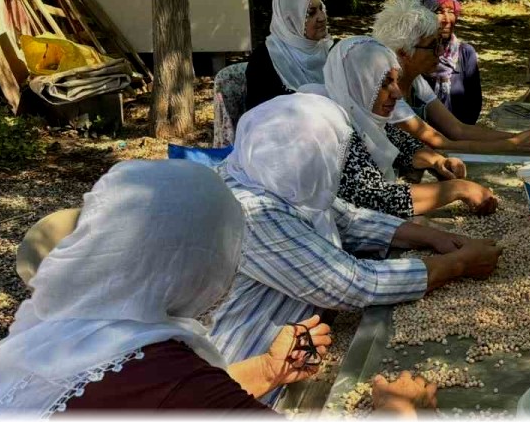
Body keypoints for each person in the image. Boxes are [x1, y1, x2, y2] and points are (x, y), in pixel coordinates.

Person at [0, 160, 333, 415]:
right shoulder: (172, 378)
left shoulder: (53, 339)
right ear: (194, 265)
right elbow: (175, 395)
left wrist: (267, 370)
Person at [208, 93, 503, 386]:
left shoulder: (269, 173)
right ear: (306, 152)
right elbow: (354, 284)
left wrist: (437, 237)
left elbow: (349, 219)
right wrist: (458, 264)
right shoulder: (252, 213)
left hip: (295, 351)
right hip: (246, 374)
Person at [304, 39, 499, 216]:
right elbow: (378, 198)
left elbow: (404, 146)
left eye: (396, 81)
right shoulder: (334, 128)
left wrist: (438, 162)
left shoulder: (363, 116)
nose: (397, 93)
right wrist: (458, 189)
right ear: (359, 84)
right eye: (385, 84)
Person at [373, 0, 530, 154]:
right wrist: (514, 144)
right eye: (433, 46)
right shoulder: (386, 95)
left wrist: (520, 137)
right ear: (404, 53)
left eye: (441, 43)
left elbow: (458, 129)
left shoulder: (416, 82)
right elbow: (441, 144)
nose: (441, 51)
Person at [245, 0, 332, 111]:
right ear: (290, 20)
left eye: (321, 8)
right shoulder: (265, 59)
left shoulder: (330, 49)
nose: (322, 17)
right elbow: (260, 114)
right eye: (311, 13)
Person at [413, 0, 483, 125]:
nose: (447, 19)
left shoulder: (465, 53)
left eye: (451, 11)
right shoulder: (411, 52)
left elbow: (474, 104)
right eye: (438, 11)